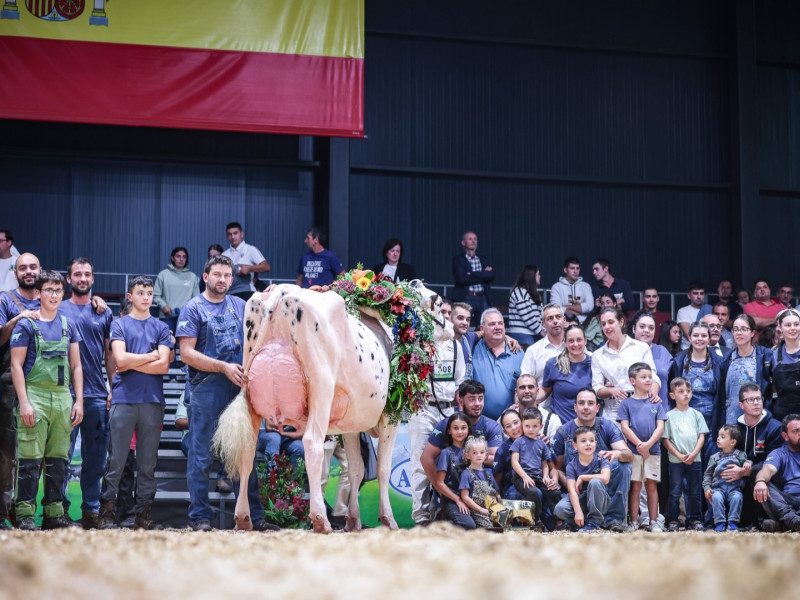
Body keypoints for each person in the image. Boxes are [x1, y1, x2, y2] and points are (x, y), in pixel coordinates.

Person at [177, 254, 272, 532]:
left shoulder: (240, 306)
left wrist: (270, 296)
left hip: (238, 386)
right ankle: (200, 518)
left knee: (244, 453)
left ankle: (253, 516)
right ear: (205, 277)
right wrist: (222, 367)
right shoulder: (193, 308)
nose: (222, 280)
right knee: (201, 457)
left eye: (227, 275)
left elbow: (262, 325)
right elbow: (186, 353)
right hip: (206, 388)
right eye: (217, 274)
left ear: (233, 278)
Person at [10, 271, 83, 530]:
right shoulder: (26, 324)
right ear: (39, 293)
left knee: (58, 459)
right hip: (35, 394)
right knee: (30, 459)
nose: (53, 295)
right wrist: (25, 402)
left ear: (63, 294)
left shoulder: (68, 324)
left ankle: (53, 514)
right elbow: (16, 366)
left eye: (58, 290)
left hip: (63, 397)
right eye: (49, 290)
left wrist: (79, 401)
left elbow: (76, 367)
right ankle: (25, 515)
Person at [99, 276, 172, 530]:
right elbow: (120, 361)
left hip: (152, 402)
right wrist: (152, 354)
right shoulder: (119, 325)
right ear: (130, 296)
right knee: (116, 461)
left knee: (147, 463)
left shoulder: (161, 327)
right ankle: (107, 511)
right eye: (140, 292)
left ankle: (143, 514)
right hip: (124, 399)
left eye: (150, 293)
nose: (146, 297)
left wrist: (136, 360)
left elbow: (164, 365)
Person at [59, 257, 115, 529]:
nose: (82, 279)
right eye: (77, 274)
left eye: (87, 274)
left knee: (95, 460)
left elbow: (110, 354)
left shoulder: (103, 312)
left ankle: (91, 512)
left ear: (93, 279)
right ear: (68, 279)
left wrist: (112, 387)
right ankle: (58, 511)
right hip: (62, 395)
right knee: (61, 458)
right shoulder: (57, 308)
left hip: (95, 394)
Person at [408, 301, 466, 526]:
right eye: (440, 313)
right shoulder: (417, 343)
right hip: (423, 407)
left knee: (451, 460)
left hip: (449, 408)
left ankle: (445, 511)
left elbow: (460, 380)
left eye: (447, 313)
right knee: (420, 462)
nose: (444, 317)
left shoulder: (456, 346)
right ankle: (420, 516)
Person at [552, 388, 633, 532]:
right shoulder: (563, 432)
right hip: (579, 491)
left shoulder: (606, 426)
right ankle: (587, 519)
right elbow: (558, 469)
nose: (585, 407)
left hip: (603, 487)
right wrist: (573, 488)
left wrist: (617, 453)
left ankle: (614, 519)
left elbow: (629, 455)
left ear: (597, 408)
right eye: (581, 403)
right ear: (575, 407)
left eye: (590, 403)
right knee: (560, 510)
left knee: (623, 466)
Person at [420, 380, 504, 500]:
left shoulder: (492, 426)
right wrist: (441, 489)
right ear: (460, 400)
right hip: (452, 487)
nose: (477, 404)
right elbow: (426, 458)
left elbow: (495, 461)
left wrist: (468, 457)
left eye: (480, 398)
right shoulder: (445, 425)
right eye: (471, 399)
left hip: (481, 488)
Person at [618, 363, 667, 531]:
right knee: (636, 486)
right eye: (643, 377)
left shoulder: (656, 403)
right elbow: (625, 427)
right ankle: (634, 522)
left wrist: (648, 445)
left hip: (653, 451)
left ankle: (653, 522)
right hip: (634, 452)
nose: (648, 380)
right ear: (633, 380)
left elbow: (660, 427)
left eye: (649, 377)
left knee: (652, 485)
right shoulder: (626, 404)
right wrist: (639, 445)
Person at [591, 306, 660, 421]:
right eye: (603, 324)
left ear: (621, 322)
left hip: (641, 404)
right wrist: (610, 390)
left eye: (611, 322)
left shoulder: (641, 347)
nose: (607, 327)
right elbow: (597, 388)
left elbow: (654, 377)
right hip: (613, 410)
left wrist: (652, 396)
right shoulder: (597, 355)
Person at [670, 321, 724, 466]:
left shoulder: (719, 361)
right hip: (685, 418)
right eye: (696, 335)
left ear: (709, 337)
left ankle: (708, 489)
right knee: (689, 462)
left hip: (711, 419)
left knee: (710, 461)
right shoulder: (679, 360)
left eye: (703, 335)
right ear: (689, 337)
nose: (699, 339)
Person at [662, 377, 708, 531]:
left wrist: (694, 453)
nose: (686, 394)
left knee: (695, 491)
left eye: (688, 391)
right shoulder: (668, 416)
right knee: (675, 491)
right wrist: (679, 455)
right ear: (672, 395)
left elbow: (702, 436)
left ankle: (695, 520)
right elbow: (666, 440)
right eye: (681, 391)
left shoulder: (697, 414)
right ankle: (673, 520)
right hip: (676, 460)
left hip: (695, 459)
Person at [509, 407, 560, 526]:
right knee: (534, 492)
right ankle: (535, 521)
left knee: (554, 491)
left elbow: (544, 464)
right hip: (521, 477)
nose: (531, 429)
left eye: (534, 426)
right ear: (522, 425)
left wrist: (546, 477)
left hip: (538, 476)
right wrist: (525, 477)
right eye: (527, 426)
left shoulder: (542, 444)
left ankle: (558, 520)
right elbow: (514, 463)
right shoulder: (518, 442)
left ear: (540, 427)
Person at [553, 426, 611, 531]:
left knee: (595, 482)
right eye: (583, 441)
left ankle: (595, 521)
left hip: (599, 499)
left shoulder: (601, 460)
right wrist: (578, 511)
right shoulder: (571, 465)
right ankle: (579, 523)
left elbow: (605, 478)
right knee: (559, 509)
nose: (588, 443)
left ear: (596, 444)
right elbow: (571, 490)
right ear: (575, 446)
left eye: (591, 440)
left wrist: (583, 477)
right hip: (581, 499)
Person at [720, 314, 773, 426]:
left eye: (744, 329)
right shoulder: (726, 359)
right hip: (731, 415)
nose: (739, 333)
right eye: (736, 329)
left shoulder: (764, 356)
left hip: (757, 416)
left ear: (752, 332)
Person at [471, 308, 523, 420]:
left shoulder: (518, 353)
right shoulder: (472, 348)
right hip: (479, 421)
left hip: (511, 424)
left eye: (500, 323)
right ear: (482, 328)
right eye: (492, 324)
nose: (497, 327)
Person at [753, 414, 800, 532]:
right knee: (763, 483)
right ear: (785, 436)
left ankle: (784, 525)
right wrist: (760, 482)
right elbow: (767, 469)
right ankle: (792, 520)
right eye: (796, 431)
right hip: (785, 502)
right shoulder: (779, 453)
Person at [538, 324, 592, 423]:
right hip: (561, 427)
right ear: (565, 342)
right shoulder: (553, 364)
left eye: (579, 340)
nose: (575, 344)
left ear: (585, 340)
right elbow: (545, 390)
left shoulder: (595, 364)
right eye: (571, 341)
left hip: (588, 428)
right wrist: (530, 401)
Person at [703, 425, 750, 531]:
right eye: (718, 436)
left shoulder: (741, 455)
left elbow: (748, 463)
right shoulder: (714, 457)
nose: (718, 438)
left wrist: (747, 463)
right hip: (718, 487)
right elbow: (707, 474)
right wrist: (707, 487)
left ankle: (733, 522)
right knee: (716, 498)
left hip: (735, 488)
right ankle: (720, 522)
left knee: (737, 498)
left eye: (723, 437)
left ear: (732, 442)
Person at [431, 412, 473, 529]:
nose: (460, 432)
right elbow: (439, 483)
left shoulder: (472, 451)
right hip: (452, 499)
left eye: (463, 428)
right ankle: (441, 525)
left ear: (468, 430)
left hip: (470, 498)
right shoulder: (446, 453)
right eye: (455, 428)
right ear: (449, 431)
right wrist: (458, 500)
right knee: (469, 525)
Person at [451, 231, 494, 327]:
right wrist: (482, 275)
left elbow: (491, 276)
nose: (473, 241)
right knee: (462, 324)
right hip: (466, 297)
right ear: (463, 243)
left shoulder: (483, 259)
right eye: (470, 239)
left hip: (483, 297)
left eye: (475, 239)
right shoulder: (458, 259)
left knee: (483, 326)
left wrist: (472, 274)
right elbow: (462, 279)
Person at [153, 246, 200, 333]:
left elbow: (196, 299)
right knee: (166, 344)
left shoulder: (192, 277)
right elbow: (156, 295)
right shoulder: (163, 275)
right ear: (172, 258)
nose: (181, 259)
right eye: (178, 256)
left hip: (186, 318)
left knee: (185, 345)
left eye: (184, 257)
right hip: (167, 317)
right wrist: (163, 306)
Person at [458, 435, 501, 529]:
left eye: (481, 452)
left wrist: (499, 503)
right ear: (467, 455)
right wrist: (481, 510)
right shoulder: (466, 473)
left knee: (505, 526)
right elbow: (464, 497)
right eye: (474, 453)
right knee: (490, 529)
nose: (478, 455)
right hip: (476, 511)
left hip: (492, 508)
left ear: (486, 455)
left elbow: (496, 493)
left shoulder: (488, 473)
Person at [631, 311, 674, 404]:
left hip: (662, 410)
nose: (646, 330)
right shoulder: (625, 351)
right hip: (633, 410)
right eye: (642, 327)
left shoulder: (663, 352)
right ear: (633, 328)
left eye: (651, 328)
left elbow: (674, 383)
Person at [222, 222, 271, 300]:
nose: (233, 236)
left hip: (247, 292)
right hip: (229, 294)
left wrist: (249, 268)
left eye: (235, 233)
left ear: (242, 234)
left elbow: (266, 267)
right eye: (229, 234)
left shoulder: (251, 250)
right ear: (227, 236)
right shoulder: (224, 255)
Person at [520, 303, 565, 388]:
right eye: (550, 318)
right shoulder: (533, 350)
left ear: (564, 320)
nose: (555, 321)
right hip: (542, 400)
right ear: (543, 324)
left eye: (558, 317)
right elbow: (525, 383)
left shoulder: (574, 347)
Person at [509, 375, 562, 441]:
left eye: (530, 387)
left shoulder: (552, 420)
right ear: (516, 392)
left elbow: (558, 449)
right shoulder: (507, 418)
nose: (527, 391)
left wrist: (548, 446)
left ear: (537, 391)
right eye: (522, 387)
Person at [770, 309, 800, 423]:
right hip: (782, 415)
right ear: (780, 328)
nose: (793, 328)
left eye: (796, 324)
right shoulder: (773, 354)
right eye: (788, 325)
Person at [507, 264, 543, 347]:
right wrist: (540, 331)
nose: (540, 276)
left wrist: (542, 330)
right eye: (538, 274)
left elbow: (540, 314)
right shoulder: (519, 291)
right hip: (522, 334)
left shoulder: (534, 293)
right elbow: (526, 315)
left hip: (534, 333)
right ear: (532, 276)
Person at [549, 257, 593, 324]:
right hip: (564, 324)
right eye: (572, 268)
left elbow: (589, 307)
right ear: (565, 270)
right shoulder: (556, 287)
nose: (575, 271)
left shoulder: (586, 286)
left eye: (577, 268)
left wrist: (566, 307)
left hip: (584, 324)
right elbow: (556, 309)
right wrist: (578, 311)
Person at [493, 409, 524, 499]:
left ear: (522, 421)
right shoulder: (502, 451)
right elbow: (497, 477)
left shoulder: (535, 440)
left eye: (516, 422)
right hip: (512, 488)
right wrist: (497, 493)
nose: (514, 428)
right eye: (508, 426)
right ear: (505, 432)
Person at [676, 281, 713, 349]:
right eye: (695, 293)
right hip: (687, 349)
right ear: (689, 296)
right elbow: (688, 334)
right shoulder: (683, 311)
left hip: (708, 348)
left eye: (701, 293)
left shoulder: (710, 309)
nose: (699, 296)